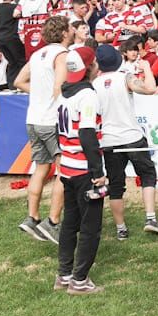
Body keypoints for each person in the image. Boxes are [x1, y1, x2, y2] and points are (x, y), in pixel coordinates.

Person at [51, 47, 109, 295]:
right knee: (90, 227)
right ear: (90, 68)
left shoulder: (63, 94)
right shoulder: (87, 96)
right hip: (84, 171)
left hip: (68, 169)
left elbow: (59, 131)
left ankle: (63, 275)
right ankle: (80, 281)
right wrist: (98, 172)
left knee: (70, 222)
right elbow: (87, 134)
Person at [92, 44, 158, 241]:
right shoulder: (124, 77)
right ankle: (150, 218)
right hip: (131, 136)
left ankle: (121, 228)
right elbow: (150, 89)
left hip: (109, 140)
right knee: (148, 174)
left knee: (115, 185)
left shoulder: (94, 84)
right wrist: (147, 69)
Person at [14, 16, 71, 243]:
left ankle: (32, 217)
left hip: (34, 118)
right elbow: (59, 86)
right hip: (51, 120)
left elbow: (18, 81)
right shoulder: (62, 54)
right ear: (65, 32)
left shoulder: (38, 54)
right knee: (64, 171)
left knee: (40, 169)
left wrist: (38, 93)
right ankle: (53, 222)